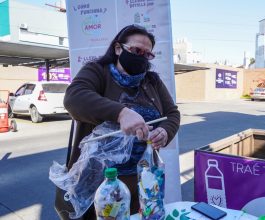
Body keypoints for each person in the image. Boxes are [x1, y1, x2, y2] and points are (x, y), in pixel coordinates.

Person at [56, 25, 180, 219]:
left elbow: (172, 113)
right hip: (101, 182)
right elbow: (74, 98)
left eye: (147, 55)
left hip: (142, 178)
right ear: (118, 48)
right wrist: (121, 113)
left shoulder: (152, 81)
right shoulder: (97, 71)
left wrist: (165, 131)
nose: (142, 57)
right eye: (137, 50)